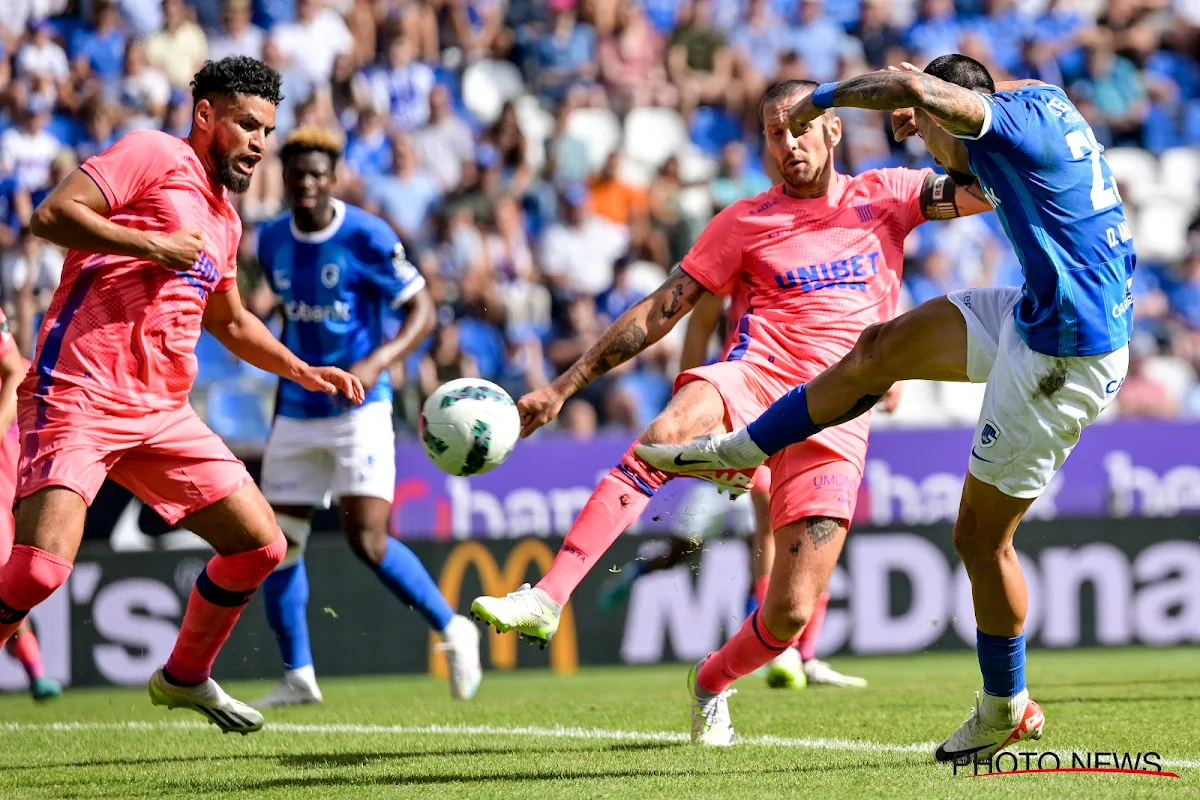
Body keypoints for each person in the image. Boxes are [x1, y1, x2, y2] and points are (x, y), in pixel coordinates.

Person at [638, 56, 1136, 761]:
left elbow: (914, 90)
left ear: (951, 113)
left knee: (980, 540)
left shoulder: (995, 124)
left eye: (927, 131)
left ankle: (1005, 707)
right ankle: (745, 449)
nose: (923, 146)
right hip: (1042, 313)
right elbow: (969, 108)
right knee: (880, 349)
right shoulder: (1040, 99)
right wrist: (933, 112)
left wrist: (823, 101)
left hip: (1066, 354)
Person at [469, 79, 991, 745]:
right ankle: (547, 596)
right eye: (775, 132)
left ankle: (710, 682)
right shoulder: (743, 221)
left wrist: (938, 123)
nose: (790, 143)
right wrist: (565, 385)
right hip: (754, 379)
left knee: (790, 613)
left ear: (835, 130)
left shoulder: (889, 196)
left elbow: (988, 188)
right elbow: (661, 310)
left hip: (837, 414)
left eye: (802, 126)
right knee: (666, 433)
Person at [0, 56, 364, 734]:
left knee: (260, 547)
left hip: (162, 412)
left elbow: (228, 322)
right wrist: (150, 243)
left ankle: (184, 676)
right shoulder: (151, 153)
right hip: (77, 390)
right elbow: (52, 216)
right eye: (247, 125)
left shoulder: (225, 219)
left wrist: (301, 369)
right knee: (39, 575)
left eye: (268, 131)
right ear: (206, 116)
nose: (260, 143)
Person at [252, 127, 482, 708]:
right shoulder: (270, 240)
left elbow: (423, 311)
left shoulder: (366, 235)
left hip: (360, 408)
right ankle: (299, 674)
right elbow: (288, 321)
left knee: (368, 540)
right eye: (296, 173)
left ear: (334, 179)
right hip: (298, 408)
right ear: (284, 177)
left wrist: (377, 361)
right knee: (277, 544)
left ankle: (453, 629)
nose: (306, 184)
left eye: (317, 174)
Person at [595, 291, 867, 690]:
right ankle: (639, 571)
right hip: (733, 453)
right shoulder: (742, 327)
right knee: (683, 550)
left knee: (789, 541)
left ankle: (797, 653)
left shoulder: (798, 321)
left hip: (769, 449)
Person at [0, 309, 61, 702]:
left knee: (6, 580)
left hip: (8, 486)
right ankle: (36, 671)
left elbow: (15, 367)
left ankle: (36, 670)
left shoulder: (29, 378)